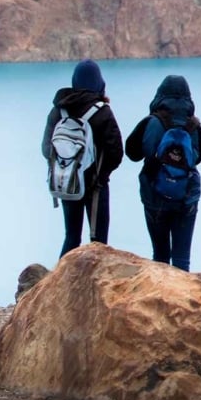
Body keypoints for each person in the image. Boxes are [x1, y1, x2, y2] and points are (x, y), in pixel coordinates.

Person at [125, 74, 201, 271]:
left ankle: (161, 297)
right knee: (182, 260)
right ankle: (181, 298)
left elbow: (131, 152)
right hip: (186, 198)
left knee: (160, 255)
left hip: (155, 197)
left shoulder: (153, 122)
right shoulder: (193, 125)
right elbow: (199, 156)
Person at [42, 58, 123, 258]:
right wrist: (100, 175)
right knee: (99, 242)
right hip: (97, 186)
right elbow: (116, 152)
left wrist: (67, 166)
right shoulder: (102, 111)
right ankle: (96, 287)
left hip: (67, 182)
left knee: (71, 237)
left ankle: (62, 285)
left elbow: (46, 148)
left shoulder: (59, 111)